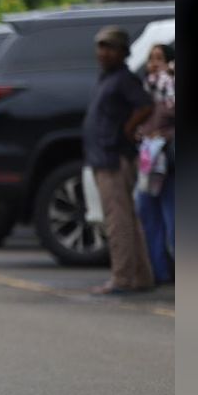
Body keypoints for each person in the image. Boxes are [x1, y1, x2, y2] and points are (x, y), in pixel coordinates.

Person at [82, 26, 155, 295]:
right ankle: (141, 276)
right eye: (100, 46)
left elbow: (145, 105)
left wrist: (128, 127)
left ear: (122, 51)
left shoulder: (124, 79)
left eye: (109, 47)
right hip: (103, 156)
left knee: (118, 221)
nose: (103, 52)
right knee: (127, 220)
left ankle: (122, 278)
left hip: (114, 157)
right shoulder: (106, 78)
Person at [135, 43, 175, 284]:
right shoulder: (146, 87)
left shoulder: (168, 84)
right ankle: (159, 271)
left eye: (159, 58)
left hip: (168, 160)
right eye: (151, 58)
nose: (154, 63)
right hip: (149, 161)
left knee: (172, 217)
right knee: (149, 214)